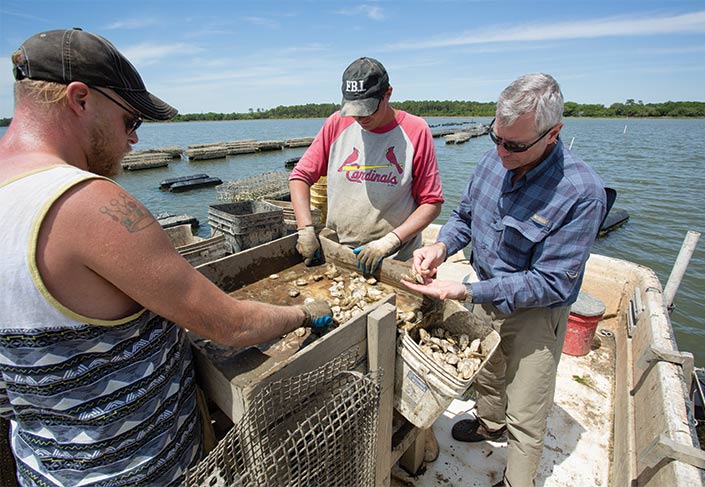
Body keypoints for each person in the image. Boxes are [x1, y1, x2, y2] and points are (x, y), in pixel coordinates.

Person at [0, 28, 332, 487]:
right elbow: (232, 326)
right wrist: (301, 313)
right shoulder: (87, 204)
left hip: (41, 470)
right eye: (130, 120)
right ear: (79, 99)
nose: (133, 140)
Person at [400, 73, 607, 487]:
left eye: (514, 145)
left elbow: (553, 284)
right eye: (496, 137)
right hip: (486, 288)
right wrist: (441, 247)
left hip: (536, 312)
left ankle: (518, 480)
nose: (501, 151)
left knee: (527, 411)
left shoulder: (582, 193)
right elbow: (464, 218)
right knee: (489, 371)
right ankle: (490, 424)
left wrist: (466, 290)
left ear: (554, 134)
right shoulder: (494, 158)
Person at [288, 56, 444, 460]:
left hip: (392, 257)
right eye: (353, 111)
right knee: (345, 345)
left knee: (397, 348)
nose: (361, 121)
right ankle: (350, 419)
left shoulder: (415, 131)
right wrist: (307, 228)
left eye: (369, 111)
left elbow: (431, 203)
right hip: (341, 253)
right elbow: (300, 176)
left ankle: (412, 425)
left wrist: (390, 240)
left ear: (388, 95)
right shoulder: (337, 124)